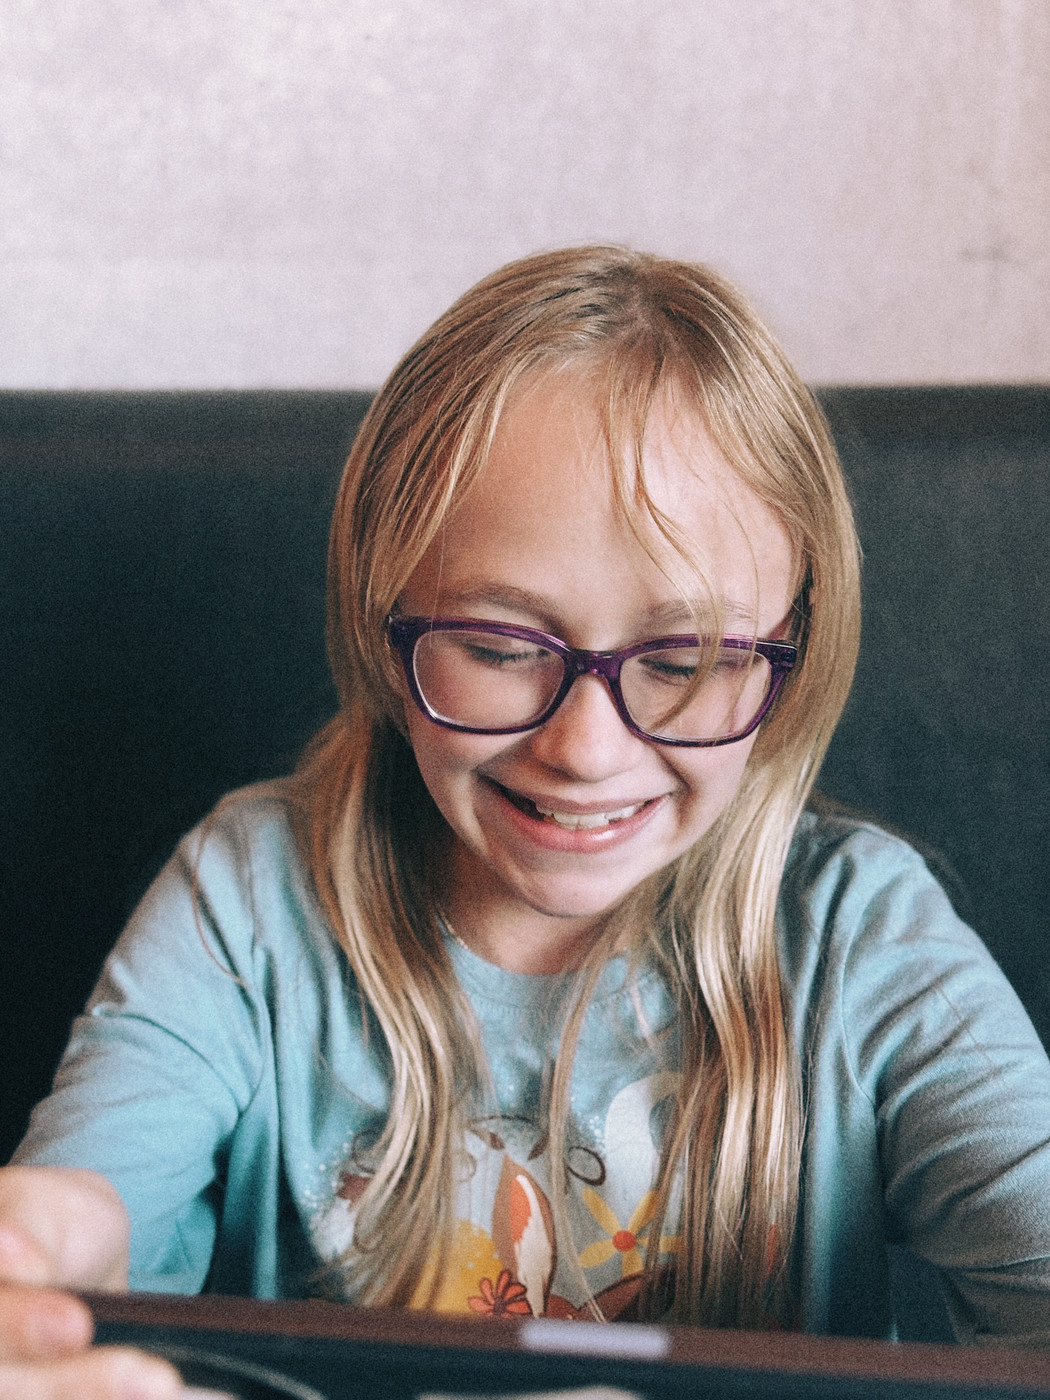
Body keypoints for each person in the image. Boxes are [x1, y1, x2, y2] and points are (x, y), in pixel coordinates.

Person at [3, 247, 1050, 1397]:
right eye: (501, 648)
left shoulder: (861, 932)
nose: (587, 748)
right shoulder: (251, 893)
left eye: (689, 659)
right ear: (379, 609)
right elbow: (84, 1200)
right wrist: (41, 1248)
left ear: (794, 649)